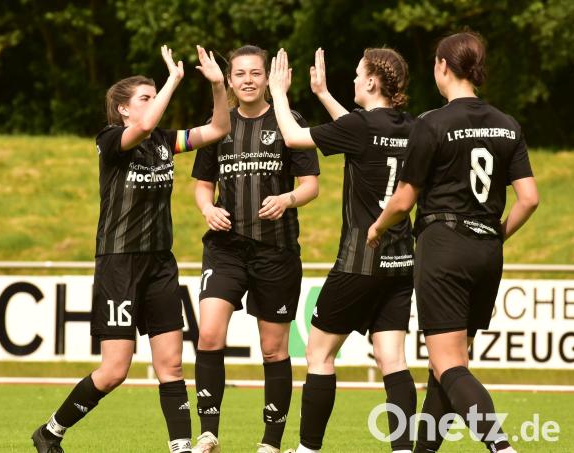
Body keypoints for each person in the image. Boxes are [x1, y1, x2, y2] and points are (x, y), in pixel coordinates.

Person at [31, 45, 230, 453]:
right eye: (145, 97)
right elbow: (140, 130)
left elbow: (218, 130)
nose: (153, 101)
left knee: (171, 364)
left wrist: (218, 87)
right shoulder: (110, 140)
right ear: (123, 110)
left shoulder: (165, 141)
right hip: (119, 263)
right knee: (115, 370)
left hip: (160, 264)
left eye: (154, 94)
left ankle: (180, 446)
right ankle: (50, 430)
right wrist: (174, 81)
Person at [367, 31, 539, 453]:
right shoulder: (507, 124)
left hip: (444, 246)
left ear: (443, 65)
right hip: (486, 250)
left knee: (448, 365)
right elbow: (530, 198)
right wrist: (496, 233)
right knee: (445, 369)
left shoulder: (432, 123)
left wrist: (377, 227)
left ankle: (501, 447)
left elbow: (404, 199)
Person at [269, 46, 416, 453]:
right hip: (402, 260)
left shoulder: (362, 127)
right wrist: (322, 93)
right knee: (393, 360)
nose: (351, 81)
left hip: (359, 259)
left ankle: (307, 449)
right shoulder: (411, 125)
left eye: (356, 74)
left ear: (371, 81)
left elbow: (294, 138)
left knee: (319, 355)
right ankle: (404, 449)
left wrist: (280, 93)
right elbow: (362, 133)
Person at [190, 44, 320, 453]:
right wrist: (207, 208)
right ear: (229, 80)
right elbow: (201, 185)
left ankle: (270, 441)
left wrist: (287, 200)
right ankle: (208, 432)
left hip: (275, 251)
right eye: (240, 73)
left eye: (255, 73)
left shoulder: (288, 121)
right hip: (225, 249)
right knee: (209, 334)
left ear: (267, 78)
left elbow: (311, 186)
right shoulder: (219, 124)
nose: (247, 80)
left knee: (273, 349)